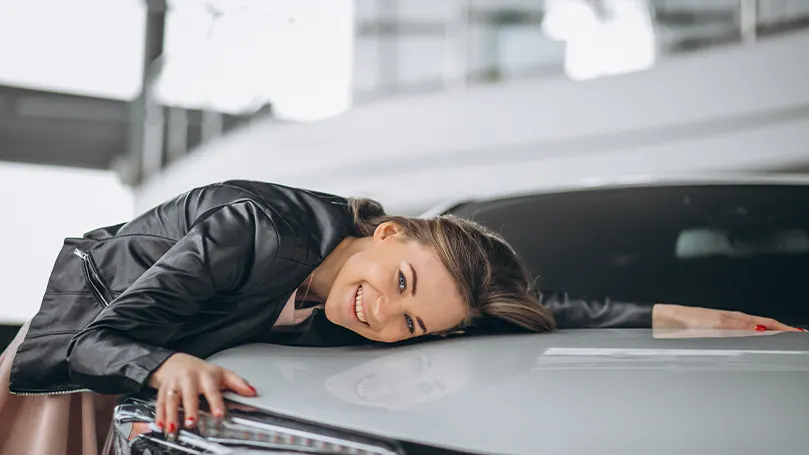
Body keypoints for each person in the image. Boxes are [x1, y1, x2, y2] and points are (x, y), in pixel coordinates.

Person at [0, 180, 799, 454]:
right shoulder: (256, 228)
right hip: (71, 382)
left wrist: (665, 314)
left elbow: (544, 311)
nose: (382, 312)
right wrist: (166, 364)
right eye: (401, 280)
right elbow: (83, 341)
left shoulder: (386, 294)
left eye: (412, 324)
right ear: (386, 231)